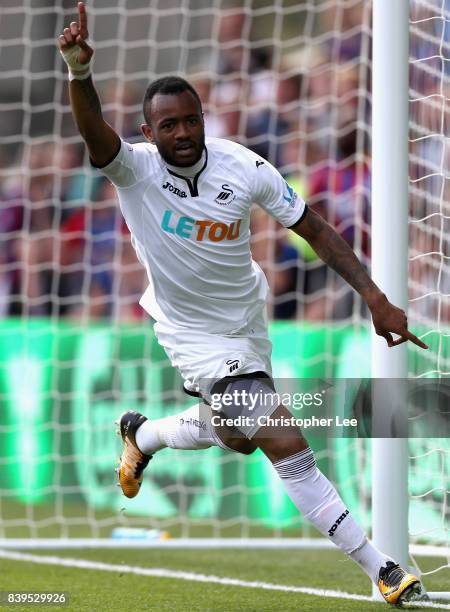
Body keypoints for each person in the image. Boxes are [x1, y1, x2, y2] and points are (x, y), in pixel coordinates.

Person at [58, 3, 428, 605]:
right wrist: (79, 74)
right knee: (284, 438)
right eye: (168, 126)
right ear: (149, 133)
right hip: (190, 333)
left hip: (247, 322)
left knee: (238, 434)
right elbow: (95, 132)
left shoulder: (244, 167)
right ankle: (382, 568)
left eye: (189, 121)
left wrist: (375, 297)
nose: (181, 134)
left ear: (204, 119)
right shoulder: (135, 171)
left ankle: (144, 434)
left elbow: (313, 228)